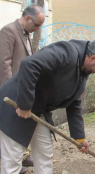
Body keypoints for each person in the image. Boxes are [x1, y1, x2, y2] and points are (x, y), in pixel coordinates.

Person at [0, 39, 95, 174]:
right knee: (13, 159)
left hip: (39, 111)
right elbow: (29, 64)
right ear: (93, 58)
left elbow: (74, 100)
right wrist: (25, 105)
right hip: (16, 105)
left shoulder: (84, 69)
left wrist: (79, 136)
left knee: (45, 153)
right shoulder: (66, 52)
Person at [0, 5, 45, 173]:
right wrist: (11, 92)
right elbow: (4, 65)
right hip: (9, 93)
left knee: (15, 129)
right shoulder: (8, 31)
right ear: (27, 18)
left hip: (20, 90)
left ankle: (17, 161)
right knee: (8, 130)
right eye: (37, 25)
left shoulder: (26, 33)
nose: (38, 28)